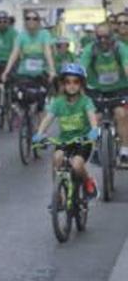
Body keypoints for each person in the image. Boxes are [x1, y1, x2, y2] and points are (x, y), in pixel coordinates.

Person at [32, 64, 99, 198]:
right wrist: (40, 133)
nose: (71, 85)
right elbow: (47, 119)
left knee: (77, 165)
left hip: (83, 141)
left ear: (81, 84)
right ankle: (57, 195)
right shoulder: (58, 102)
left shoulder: (86, 101)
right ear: (63, 84)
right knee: (57, 158)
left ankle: (88, 182)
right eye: (68, 82)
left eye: (76, 82)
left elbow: (92, 116)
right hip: (64, 140)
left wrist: (94, 130)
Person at [79, 23, 128, 164]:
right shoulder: (91, 49)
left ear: (112, 36)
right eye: (99, 37)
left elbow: (126, 66)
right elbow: (82, 68)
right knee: (95, 117)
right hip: (97, 90)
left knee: (121, 114)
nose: (103, 41)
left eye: (106, 37)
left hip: (119, 89)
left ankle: (125, 151)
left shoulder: (120, 48)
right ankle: (95, 149)